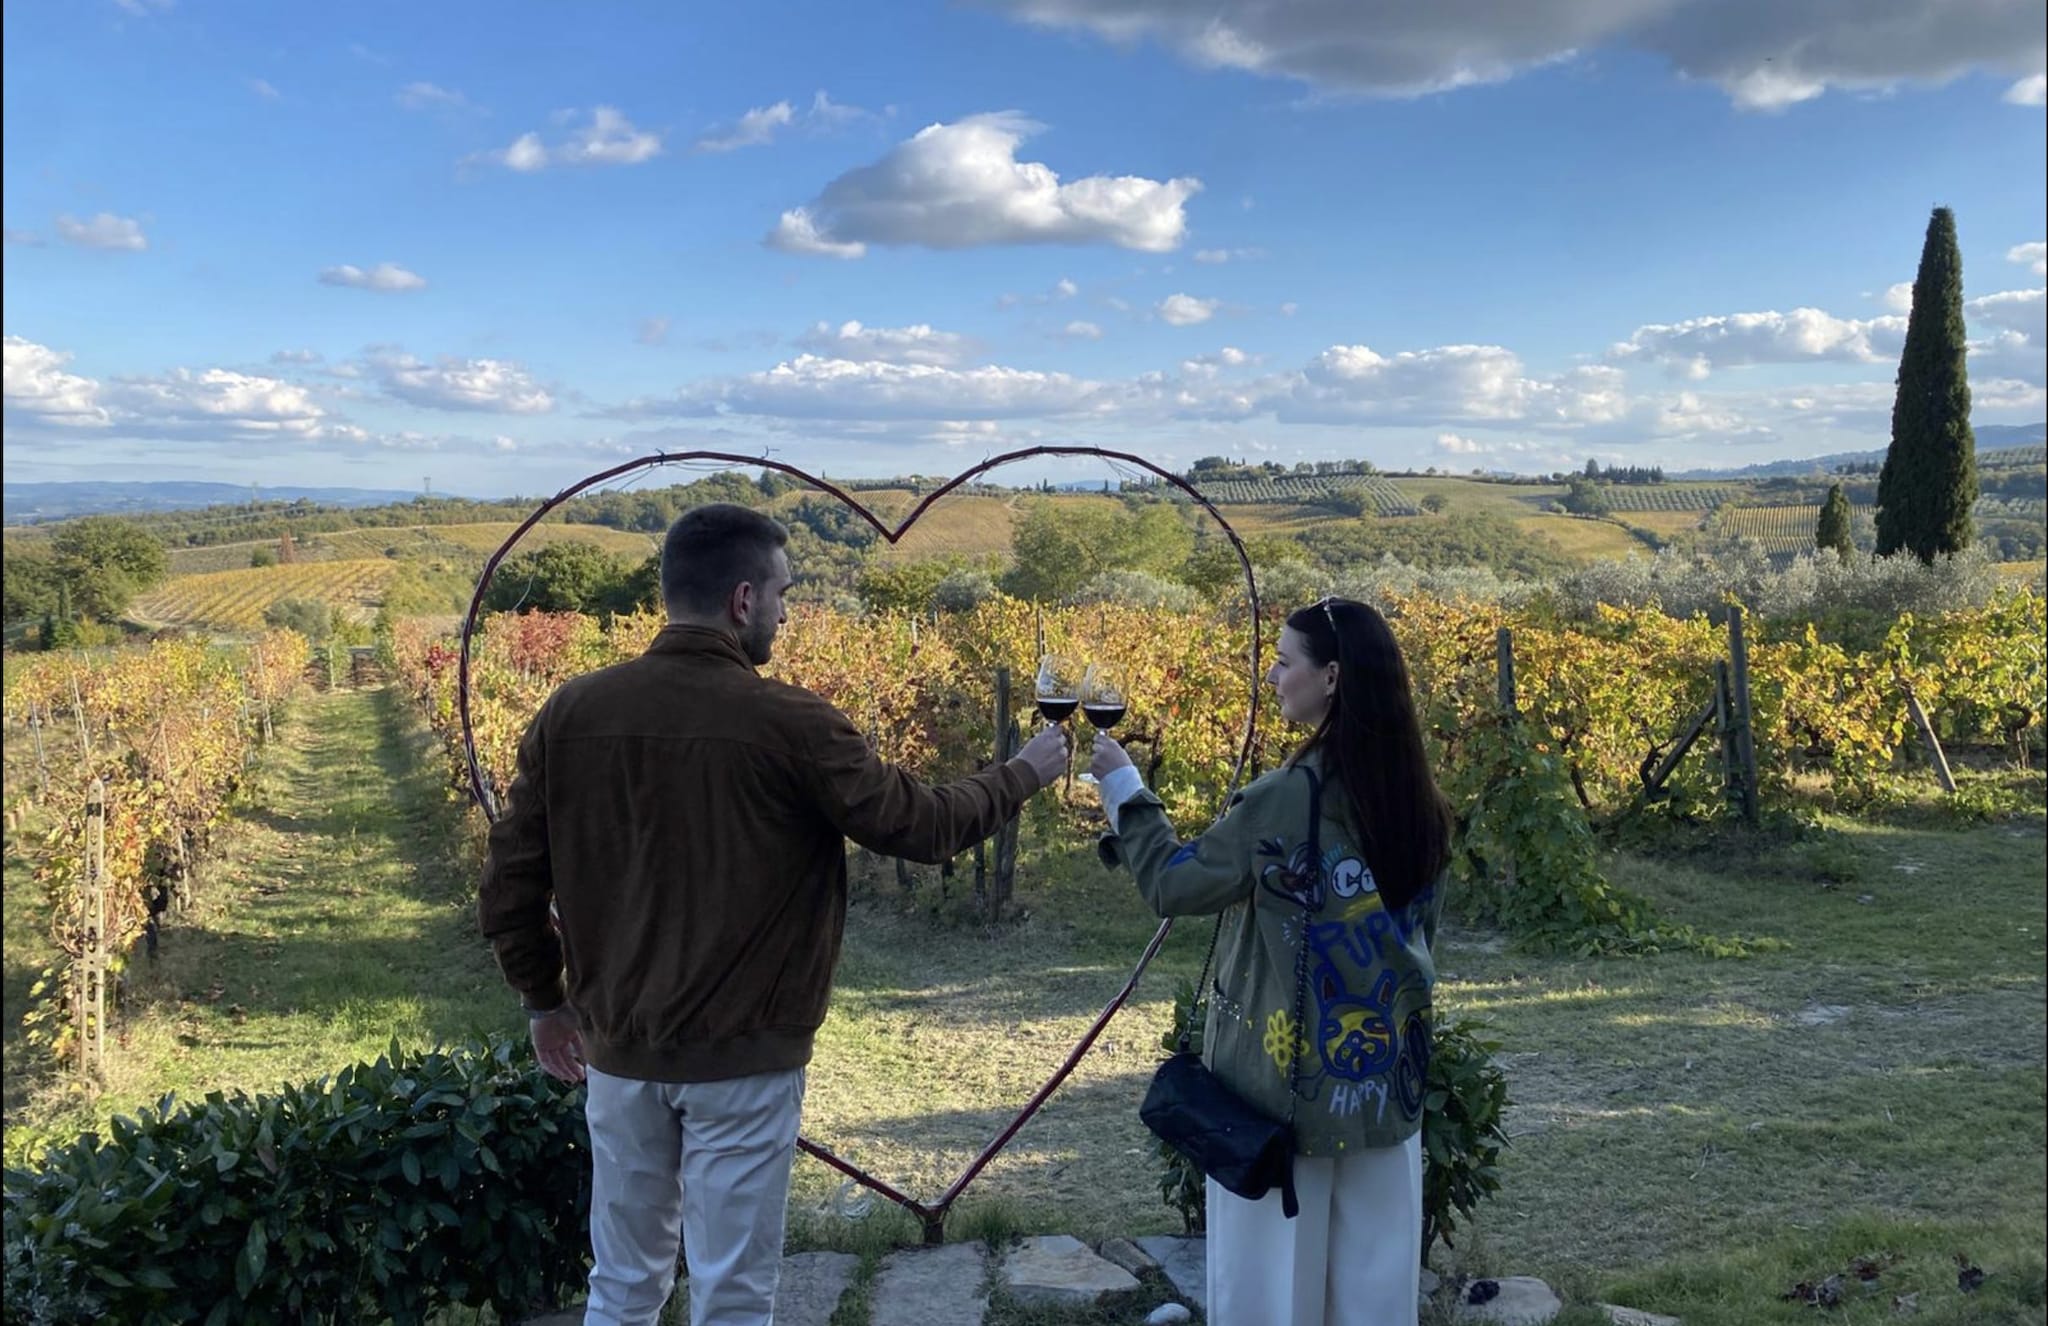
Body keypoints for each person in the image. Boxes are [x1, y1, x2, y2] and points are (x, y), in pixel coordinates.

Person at [477, 502, 1069, 1326]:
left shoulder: (570, 715)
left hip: (619, 1058)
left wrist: (544, 1002)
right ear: (743, 599)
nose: (787, 615)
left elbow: (508, 884)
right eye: (784, 595)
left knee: (622, 1285)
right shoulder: (792, 723)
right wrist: (1024, 772)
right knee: (733, 1295)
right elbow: (923, 826)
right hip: (745, 1063)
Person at [1089, 596, 1453, 1326]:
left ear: (1332, 677)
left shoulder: (1287, 799)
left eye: (1285, 662)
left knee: (1270, 1297)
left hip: (1280, 1101)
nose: (1273, 676)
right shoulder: (1421, 800)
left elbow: (1173, 885)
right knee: (1375, 1300)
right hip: (1386, 1088)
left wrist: (1123, 787)